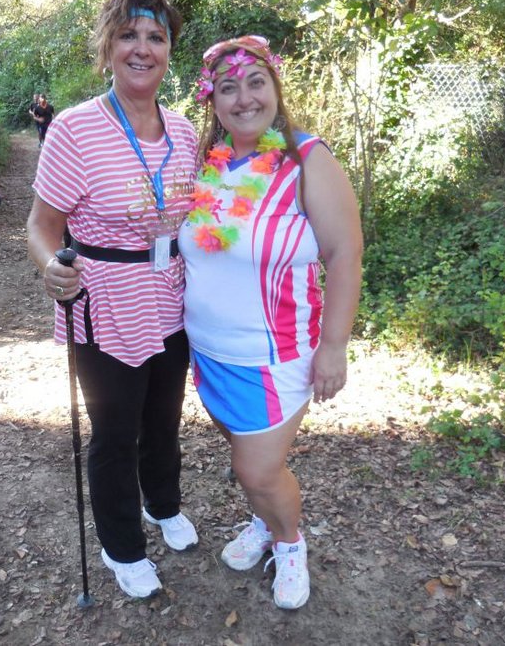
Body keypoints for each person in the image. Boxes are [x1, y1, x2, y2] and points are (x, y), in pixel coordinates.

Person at [179, 35, 363, 610]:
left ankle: (288, 542)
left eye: (255, 83)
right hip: (208, 353)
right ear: (212, 101)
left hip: (275, 356)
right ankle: (263, 522)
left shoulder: (307, 158)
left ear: (276, 88)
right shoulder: (207, 164)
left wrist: (334, 345)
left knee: (257, 470)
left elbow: (345, 253)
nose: (244, 99)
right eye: (228, 88)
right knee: (250, 460)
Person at [26, 0, 199, 600]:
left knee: (164, 419)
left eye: (155, 37)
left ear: (169, 51)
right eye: (128, 35)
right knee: (116, 431)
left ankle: (162, 504)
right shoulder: (74, 129)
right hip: (103, 302)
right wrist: (51, 268)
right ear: (107, 47)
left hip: (171, 298)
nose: (142, 49)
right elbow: (41, 226)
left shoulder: (185, 132)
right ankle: (121, 545)